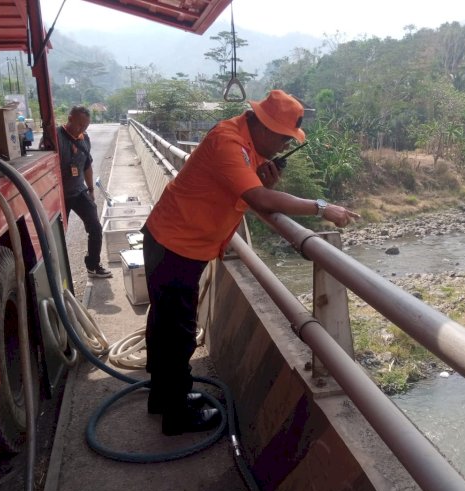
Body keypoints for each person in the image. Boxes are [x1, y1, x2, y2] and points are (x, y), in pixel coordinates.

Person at [142, 89, 359, 436]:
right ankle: (177, 415)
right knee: (177, 331)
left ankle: (163, 397)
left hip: (177, 240)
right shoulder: (229, 142)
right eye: (283, 138)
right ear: (266, 127)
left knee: (166, 326)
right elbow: (257, 197)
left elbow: (249, 188)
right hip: (176, 244)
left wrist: (262, 178)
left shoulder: (242, 143)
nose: (283, 146)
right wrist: (321, 207)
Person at [56, 106, 112, 278]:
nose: (83, 128)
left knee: (95, 227)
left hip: (79, 191)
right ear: (70, 119)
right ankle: (55, 275)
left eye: (86, 125)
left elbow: (87, 166)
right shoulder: (56, 136)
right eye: (80, 124)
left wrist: (91, 189)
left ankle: (93, 266)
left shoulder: (84, 138)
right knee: (57, 236)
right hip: (59, 196)